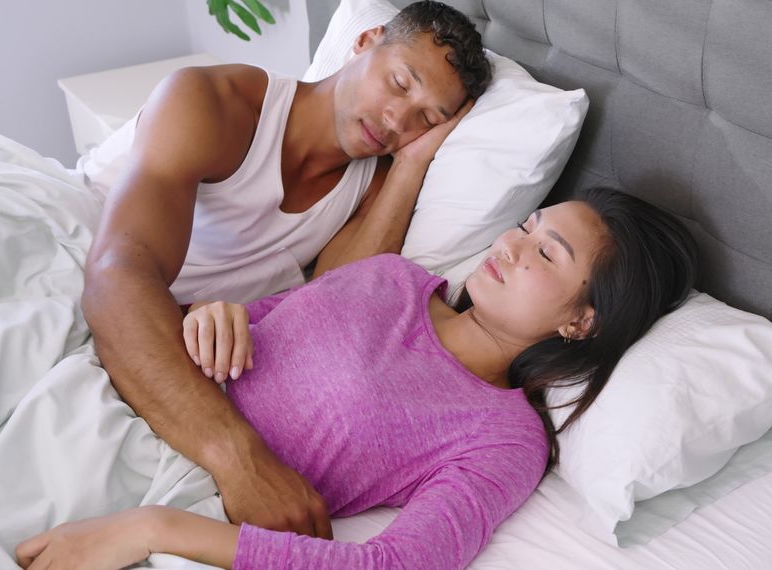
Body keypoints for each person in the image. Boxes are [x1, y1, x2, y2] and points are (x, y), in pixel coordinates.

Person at [16, 187, 699, 569]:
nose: (511, 244)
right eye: (526, 224)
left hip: (167, 483)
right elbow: (232, 326)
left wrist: (153, 529)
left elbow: (395, 568)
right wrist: (215, 316)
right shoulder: (392, 276)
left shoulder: (504, 437)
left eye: (546, 253)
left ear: (583, 321)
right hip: (120, 387)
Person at [81, 1, 491, 541]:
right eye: (398, 83)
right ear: (365, 41)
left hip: (181, 332)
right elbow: (115, 276)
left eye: (427, 119)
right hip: (81, 259)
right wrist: (239, 461)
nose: (398, 121)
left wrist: (411, 165)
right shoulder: (217, 103)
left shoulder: (370, 192)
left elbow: (330, 309)